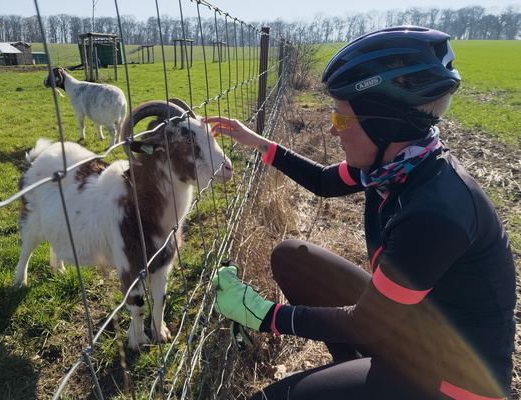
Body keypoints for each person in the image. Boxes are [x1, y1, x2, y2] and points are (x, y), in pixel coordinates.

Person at [204, 26, 516, 400]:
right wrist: (258, 143)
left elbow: (365, 324)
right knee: (292, 257)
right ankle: (352, 376)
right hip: (413, 329)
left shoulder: (435, 212)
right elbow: (323, 181)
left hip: (452, 381)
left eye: (340, 120)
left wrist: (263, 314)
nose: (333, 132)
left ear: (384, 124)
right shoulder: (399, 163)